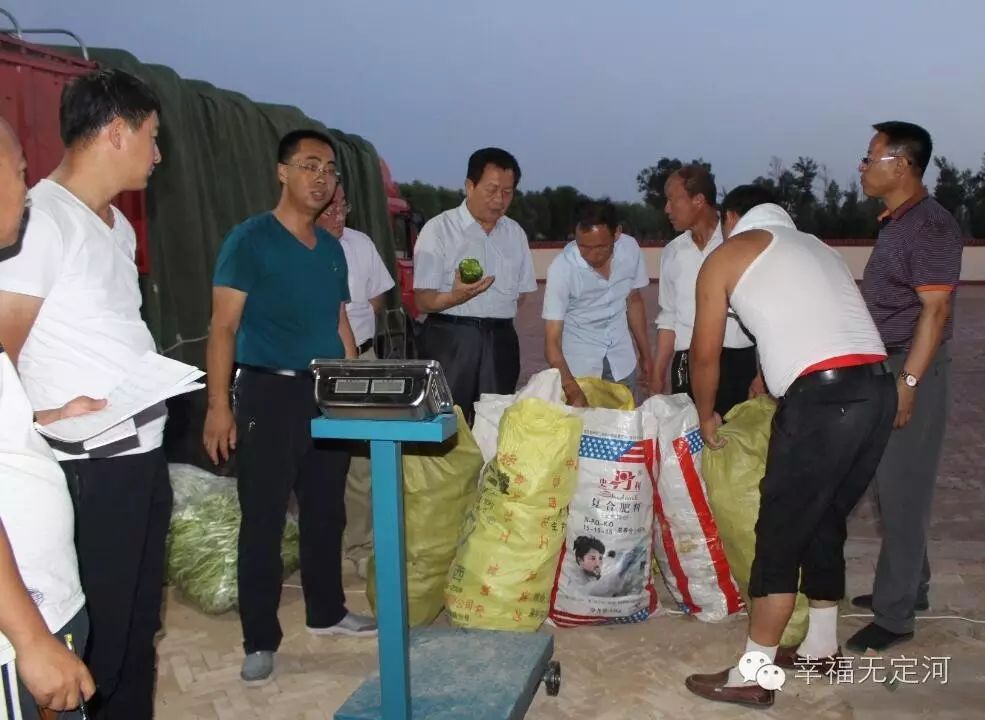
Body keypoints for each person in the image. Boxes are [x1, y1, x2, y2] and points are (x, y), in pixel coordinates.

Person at [0, 70, 171, 718]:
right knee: (92, 641)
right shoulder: (38, 221)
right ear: (117, 131)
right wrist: (45, 417)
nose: (157, 156)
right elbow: (1, 355)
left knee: (134, 634)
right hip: (87, 469)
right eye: (152, 138)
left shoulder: (114, 228)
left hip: (139, 453)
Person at [684, 185, 896, 708]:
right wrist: (769, 374)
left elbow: (704, 354)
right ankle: (822, 646)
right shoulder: (816, 247)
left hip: (823, 402)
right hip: (877, 391)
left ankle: (753, 674)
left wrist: (706, 412)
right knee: (824, 518)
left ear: (733, 217)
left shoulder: (728, 254)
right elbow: (811, 320)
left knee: (777, 533)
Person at [203, 129, 376, 687]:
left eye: (329, 169)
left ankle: (327, 611)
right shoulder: (249, 240)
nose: (321, 177)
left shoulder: (330, 251)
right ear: (282, 172)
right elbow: (223, 327)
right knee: (264, 519)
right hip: (267, 394)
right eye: (309, 166)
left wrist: (352, 389)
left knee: (327, 510)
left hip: (324, 393)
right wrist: (217, 408)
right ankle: (260, 640)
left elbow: (340, 324)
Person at [847, 122, 964, 653]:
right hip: (891, 363)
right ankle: (909, 588)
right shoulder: (899, 223)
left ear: (902, 164)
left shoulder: (930, 228)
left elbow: (935, 311)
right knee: (892, 484)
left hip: (911, 366)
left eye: (871, 156)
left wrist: (909, 383)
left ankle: (895, 618)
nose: (863, 166)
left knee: (903, 491)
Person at [0, 115, 98, 720]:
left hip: (41, 605)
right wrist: (31, 640)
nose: (26, 183)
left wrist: (44, 415)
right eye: (17, 171)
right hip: (19, 631)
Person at [412, 147, 537, 422]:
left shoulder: (515, 234)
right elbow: (422, 299)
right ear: (470, 186)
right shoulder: (439, 230)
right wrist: (454, 298)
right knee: (446, 422)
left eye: (507, 192)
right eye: (491, 190)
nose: (499, 200)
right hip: (452, 339)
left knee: (496, 422)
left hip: (500, 341)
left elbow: (522, 294)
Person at [318, 185, 395, 578]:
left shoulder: (360, 244)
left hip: (362, 360)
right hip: (315, 363)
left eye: (342, 205)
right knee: (319, 460)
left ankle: (361, 545)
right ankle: (321, 542)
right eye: (329, 207)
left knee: (364, 462)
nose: (338, 214)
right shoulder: (301, 247)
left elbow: (378, 298)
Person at [650, 165, 761, 415]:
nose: (667, 209)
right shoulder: (672, 253)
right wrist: (658, 374)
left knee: (734, 440)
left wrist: (762, 374)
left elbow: (765, 315)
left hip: (736, 363)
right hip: (686, 362)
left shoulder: (739, 243)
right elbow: (668, 317)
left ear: (698, 200)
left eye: (672, 200)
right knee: (690, 441)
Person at [542, 199, 651, 406]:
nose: (592, 255)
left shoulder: (630, 250)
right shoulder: (562, 269)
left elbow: (633, 300)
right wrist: (572, 389)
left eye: (601, 247)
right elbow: (551, 342)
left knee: (626, 428)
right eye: (584, 247)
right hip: (579, 369)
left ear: (616, 233)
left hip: (622, 361)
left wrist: (646, 355)